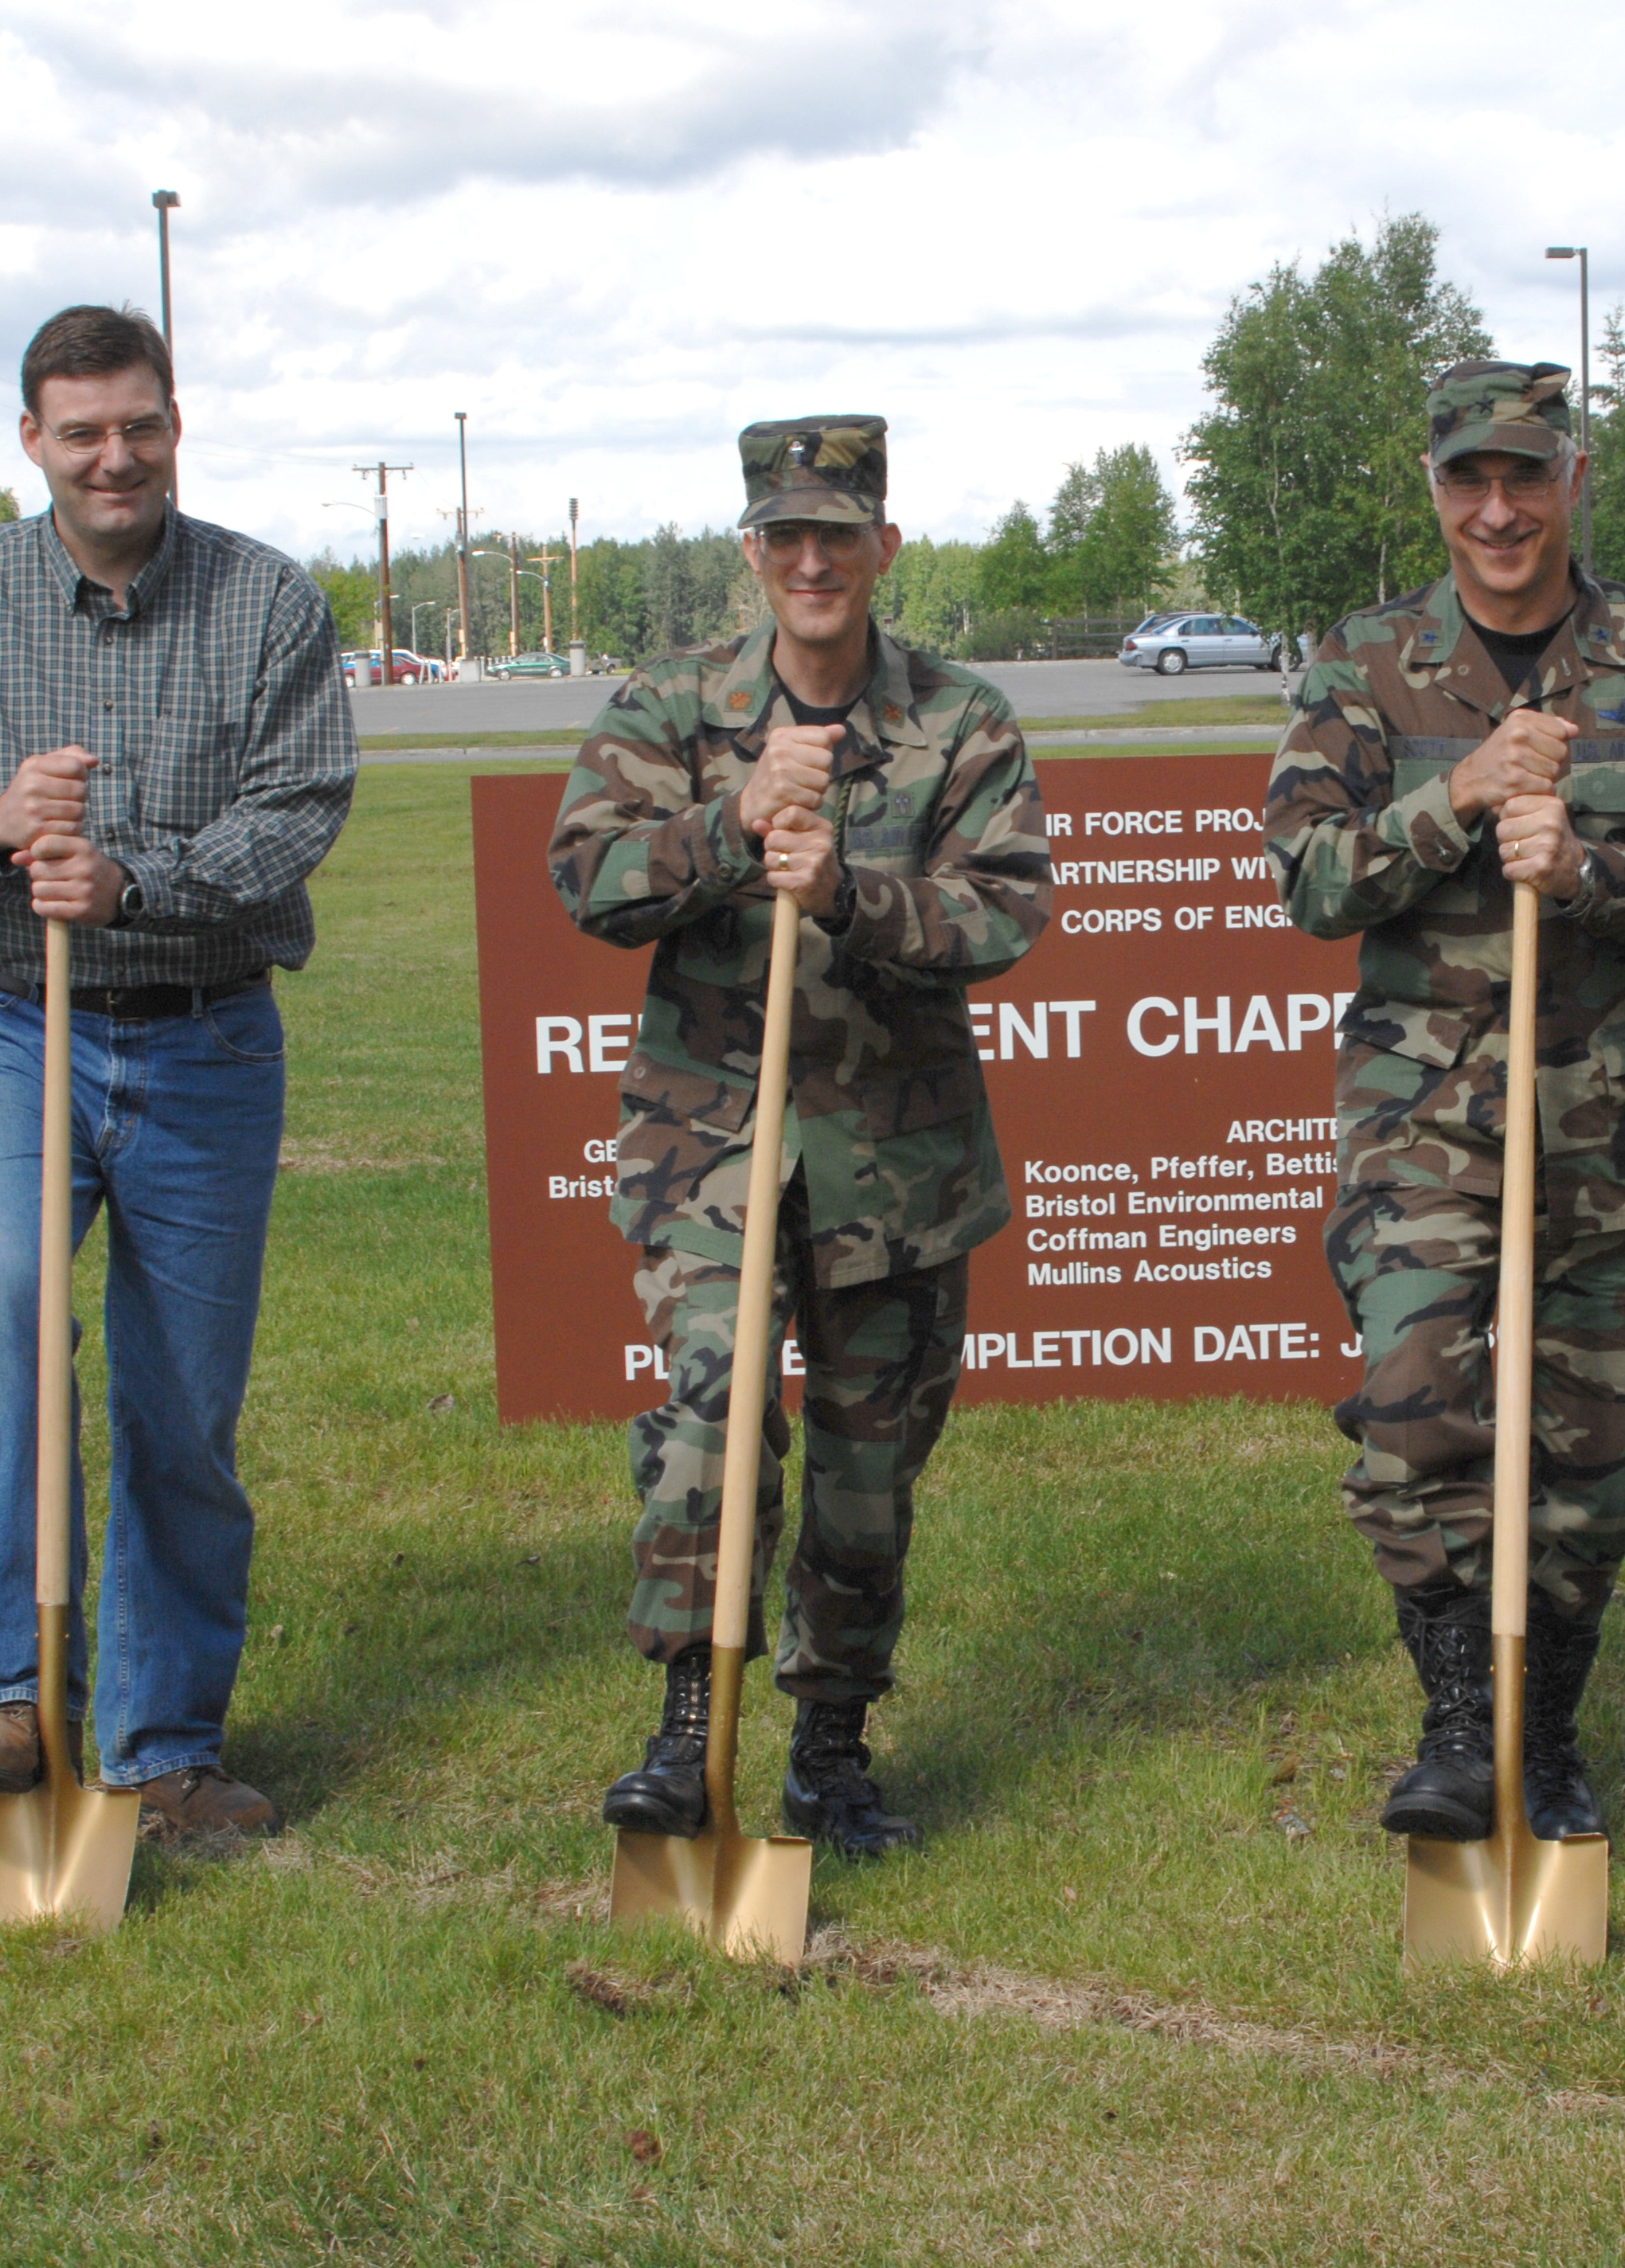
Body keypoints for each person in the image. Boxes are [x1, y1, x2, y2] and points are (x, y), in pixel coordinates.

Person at [0, 303, 357, 1840]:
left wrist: (134, 884)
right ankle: (11, 1699)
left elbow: (298, 811)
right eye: (82, 431)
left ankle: (162, 1746)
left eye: (138, 423)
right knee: (0, 1318)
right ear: (32, 441)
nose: (113, 455)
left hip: (207, 1035)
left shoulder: (265, 602)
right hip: (11, 1027)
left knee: (182, 1406)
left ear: (175, 421)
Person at [1264, 361, 1625, 1842]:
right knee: (1414, 1416)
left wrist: (1593, 873)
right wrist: (1463, 797)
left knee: (1596, 1462)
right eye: (1468, 481)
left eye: (1527, 476)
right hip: (1424, 1120)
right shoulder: (1366, 663)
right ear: (1435, 489)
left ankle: (1543, 1733)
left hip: (1623, 1130)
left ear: (1573, 481)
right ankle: (1454, 1719)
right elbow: (1309, 878)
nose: (1498, 510)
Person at [549, 416, 1049, 1858]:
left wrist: (846, 893)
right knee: (709, 1426)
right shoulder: (671, 708)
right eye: (788, 536)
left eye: (841, 533)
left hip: (900, 1164)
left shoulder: (962, 719)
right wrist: (727, 826)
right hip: (713, 1143)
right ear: (754, 551)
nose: (814, 559)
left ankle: (831, 1747)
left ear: (885, 546)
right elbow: (587, 876)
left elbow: (1004, 913)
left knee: (868, 1470)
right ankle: (688, 1726)